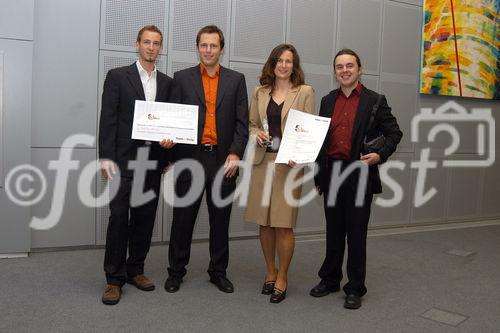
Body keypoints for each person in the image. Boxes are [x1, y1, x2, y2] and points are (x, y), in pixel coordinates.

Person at [311, 49, 402, 309]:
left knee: (357, 234)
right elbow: (321, 141)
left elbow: (395, 133)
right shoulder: (328, 100)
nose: (345, 70)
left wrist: (380, 155)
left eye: (349, 65)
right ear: (335, 71)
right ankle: (329, 280)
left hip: (360, 173)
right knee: (334, 231)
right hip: (332, 173)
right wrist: (319, 174)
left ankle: (355, 288)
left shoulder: (375, 101)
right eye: (339, 66)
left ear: (360, 69)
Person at [162, 25, 248, 294]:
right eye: (203, 45)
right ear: (197, 47)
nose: (208, 50)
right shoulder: (182, 78)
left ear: (221, 49)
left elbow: (241, 123)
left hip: (223, 161)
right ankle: (176, 271)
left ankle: (218, 271)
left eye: (213, 46)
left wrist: (235, 153)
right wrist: (170, 151)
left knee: (220, 221)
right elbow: (173, 119)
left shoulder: (236, 80)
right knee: (182, 219)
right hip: (190, 158)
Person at [98, 25, 174, 305]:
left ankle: (135, 270)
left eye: (156, 43)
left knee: (144, 219)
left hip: (153, 162)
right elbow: (108, 118)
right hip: (122, 161)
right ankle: (113, 279)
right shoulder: (118, 76)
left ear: (160, 48)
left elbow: (170, 123)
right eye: (147, 42)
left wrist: (169, 150)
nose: (151, 47)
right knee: (119, 219)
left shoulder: (167, 83)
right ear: (137, 44)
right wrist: (105, 156)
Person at [245, 44, 315, 303]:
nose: (284, 65)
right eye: (279, 61)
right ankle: (270, 272)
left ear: (294, 65)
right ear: (272, 64)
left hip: (290, 165)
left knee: (283, 224)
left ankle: (283, 276)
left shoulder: (305, 91)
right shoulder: (259, 92)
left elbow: (310, 129)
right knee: (264, 222)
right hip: (264, 163)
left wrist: (303, 155)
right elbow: (253, 125)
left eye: (289, 61)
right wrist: (257, 135)